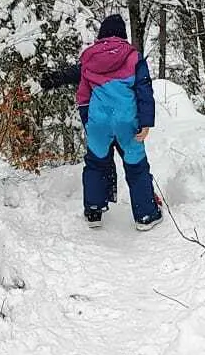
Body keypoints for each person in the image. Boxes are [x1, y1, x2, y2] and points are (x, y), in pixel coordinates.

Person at [41, 15, 162, 227]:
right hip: (128, 122)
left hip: (99, 122)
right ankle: (146, 215)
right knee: (136, 166)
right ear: (123, 35)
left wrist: (88, 120)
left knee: (96, 165)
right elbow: (144, 90)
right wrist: (146, 121)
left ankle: (94, 212)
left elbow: (83, 93)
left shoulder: (89, 58)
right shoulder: (133, 57)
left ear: (101, 35)